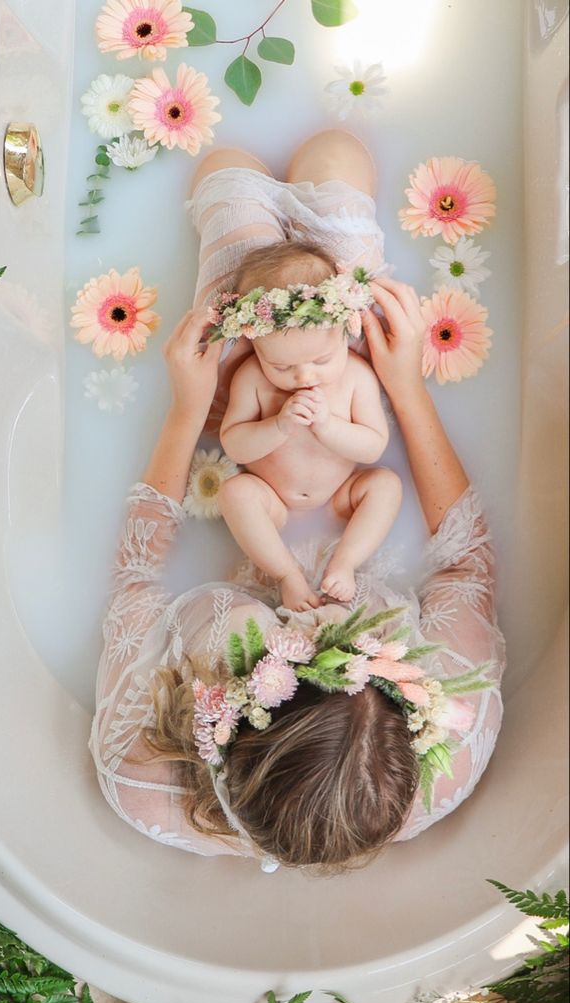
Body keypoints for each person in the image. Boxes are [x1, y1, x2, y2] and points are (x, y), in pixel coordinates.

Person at [89, 131, 505, 872]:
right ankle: (317, 199)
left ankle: (242, 197)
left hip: (247, 401)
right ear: (404, 692)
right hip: (295, 387)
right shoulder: (453, 734)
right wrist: (403, 384)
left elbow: (133, 580)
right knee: (338, 157)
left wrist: (188, 411)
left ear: (214, 711)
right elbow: (465, 561)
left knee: (226, 175)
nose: (303, 611)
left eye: (270, 639)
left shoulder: (141, 769)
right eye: (339, 629)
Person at [214, 239, 402, 611]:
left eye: (322, 359)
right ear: (256, 345)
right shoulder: (252, 378)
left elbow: (373, 446)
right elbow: (234, 445)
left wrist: (328, 426)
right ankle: (287, 575)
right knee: (234, 493)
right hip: (274, 503)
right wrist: (278, 426)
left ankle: (345, 563)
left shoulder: (356, 376)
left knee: (385, 485)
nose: (304, 376)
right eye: (281, 367)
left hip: (339, 499)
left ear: (344, 331)